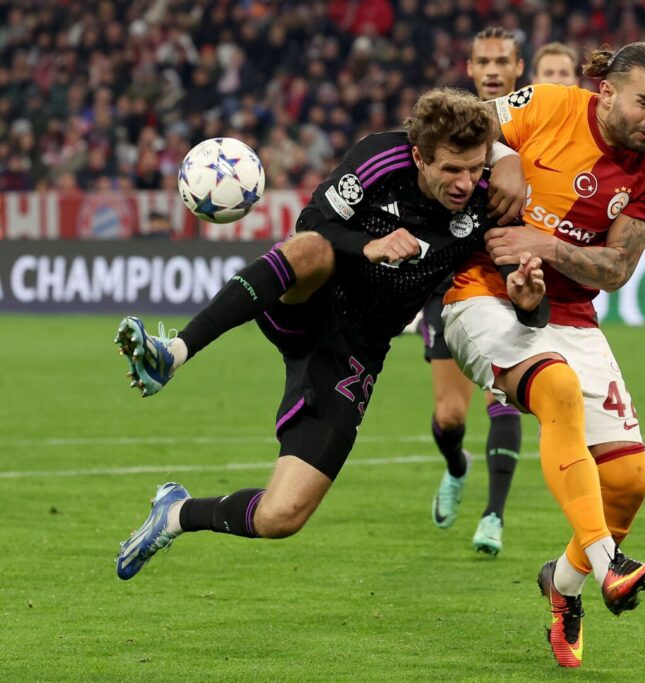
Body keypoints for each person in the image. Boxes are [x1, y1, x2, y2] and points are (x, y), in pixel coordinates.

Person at [113, 88, 542, 581]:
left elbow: (530, 306)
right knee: (311, 248)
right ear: (420, 156)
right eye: (451, 169)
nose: (465, 182)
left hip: (357, 350)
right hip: (313, 300)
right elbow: (311, 223)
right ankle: (173, 352)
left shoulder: (492, 201)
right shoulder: (380, 158)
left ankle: (175, 513)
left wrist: (530, 304)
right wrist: (369, 246)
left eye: (474, 167)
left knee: (282, 516)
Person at [442, 43, 645, 668]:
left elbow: (617, 268)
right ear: (608, 92)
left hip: (571, 313)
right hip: (482, 292)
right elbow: (459, 124)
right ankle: (610, 565)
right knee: (557, 389)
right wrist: (502, 157)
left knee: (629, 482)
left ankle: (564, 583)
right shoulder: (547, 105)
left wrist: (545, 245)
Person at [422, 27, 526, 557]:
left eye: (501, 61)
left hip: (502, 276)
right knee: (450, 417)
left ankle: (494, 515)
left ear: (518, 68)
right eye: (483, 61)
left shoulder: (531, 128)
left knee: (503, 395)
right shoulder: (451, 125)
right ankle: (456, 465)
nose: (492, 70)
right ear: (469, 68)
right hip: (445, 278)